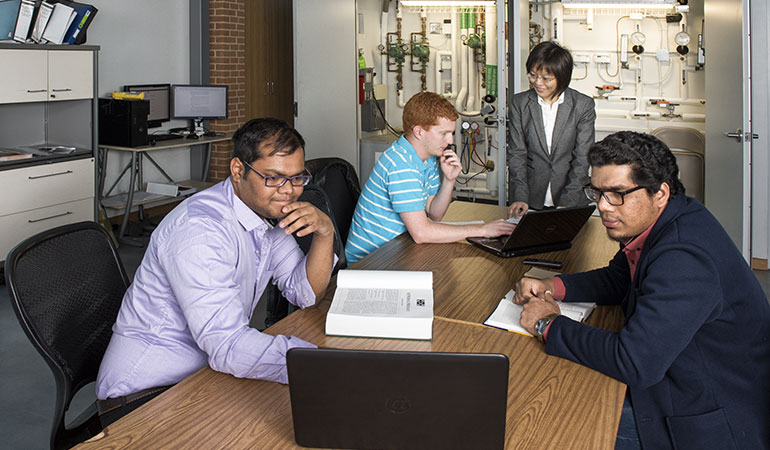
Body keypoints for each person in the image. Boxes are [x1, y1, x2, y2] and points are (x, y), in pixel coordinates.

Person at [513, 131, 770, 450]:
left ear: (659, 193)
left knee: (556, 411)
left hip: (703, 419)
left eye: (618, 194)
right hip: (681, 381)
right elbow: (619, 280)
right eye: (598, 193)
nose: (604, 207)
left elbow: (636, 362)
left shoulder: (683, 257)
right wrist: (554, 285)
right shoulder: (671, 217)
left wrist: (547, 324)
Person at [95, 118, 336, 426]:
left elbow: (306, 294)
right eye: (274, 178)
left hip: (203, 372)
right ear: (238, 171)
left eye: (297, 178)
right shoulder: (201, 232)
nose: (288, 192)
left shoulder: (265, 213)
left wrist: (325, 232)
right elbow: (229, 347)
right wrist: (318, 362)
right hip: (142, 395)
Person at [345, 91, 515, 265]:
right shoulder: (400, 163)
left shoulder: (427, 158)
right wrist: (483, 230)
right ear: (419, 132)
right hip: (370, 263)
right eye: (443, 133)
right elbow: (421, 233)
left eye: (451, 133)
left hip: (398, 250)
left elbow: (435, 214)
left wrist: (449, 180)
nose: (450, 140)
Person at [507, 41, 596, 219]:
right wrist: (520, 196)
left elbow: (583, 158)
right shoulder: (520, 103)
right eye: (532, 75)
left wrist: (568, 201)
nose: (538, 83)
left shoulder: (582, 105)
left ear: (562, 77)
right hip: (530, 198)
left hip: (570, 196)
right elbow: (517, 153)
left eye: (546, 78)